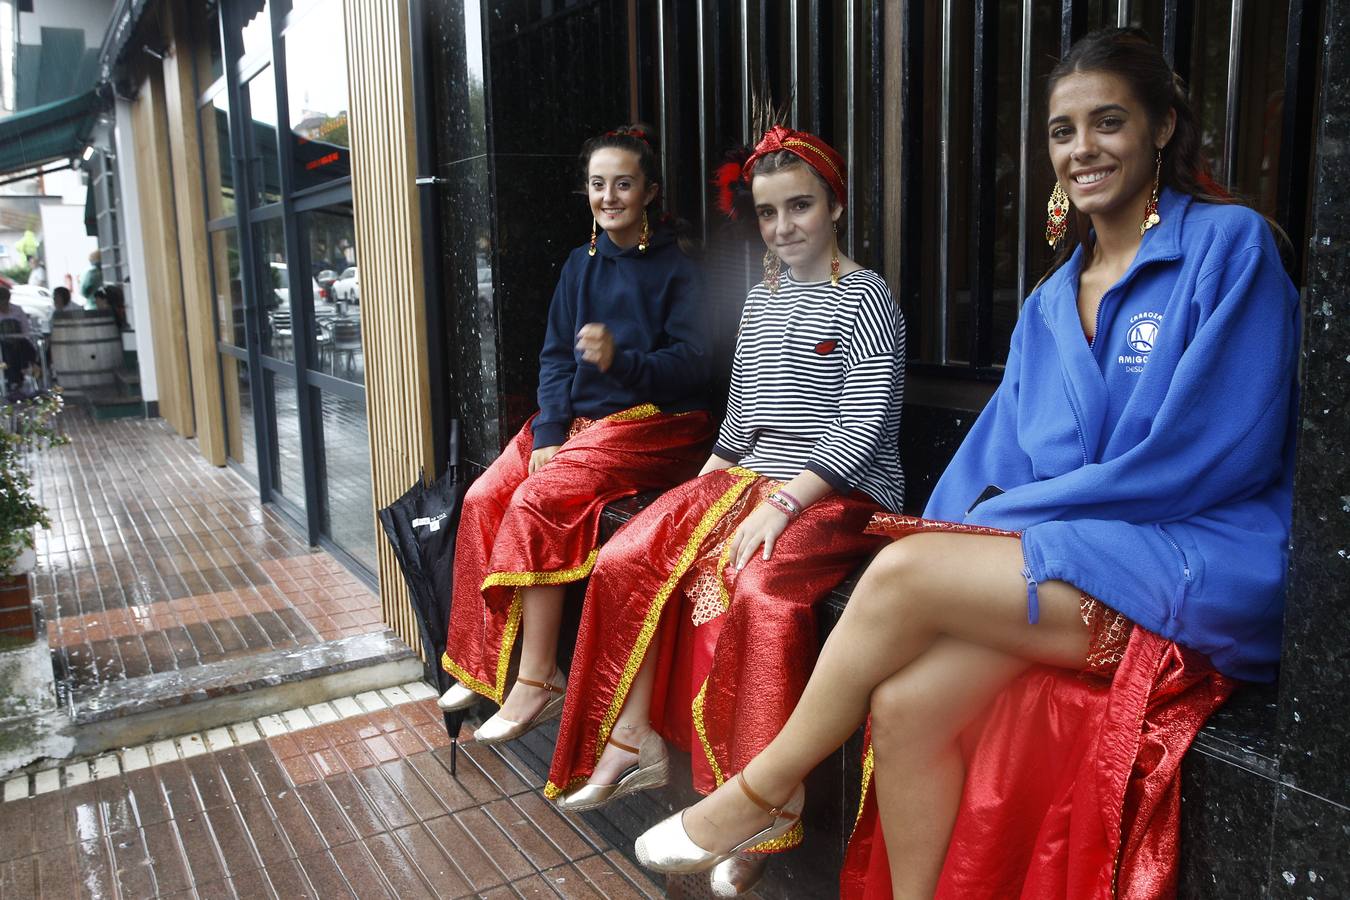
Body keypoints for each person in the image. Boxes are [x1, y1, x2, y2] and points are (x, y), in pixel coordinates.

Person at [633, 28, 1299, 900]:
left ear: (1163, 127)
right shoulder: (1050, 300)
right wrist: (940, 539)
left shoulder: (1229, 247)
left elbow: (1212, 454)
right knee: (905, 704)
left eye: (1108, 122)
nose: (1082, 149)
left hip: (1193, 554)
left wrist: (936, 557)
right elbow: (993, 459)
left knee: (906, 574)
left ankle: (760, 789)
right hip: (1075, 555)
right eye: (1063, 132)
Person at [547, 123, 905, 896]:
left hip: (841, 492)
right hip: (752, 478)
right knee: (630, 552)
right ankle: (635, 735)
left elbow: (863, 423)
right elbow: (740, 426)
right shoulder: (761, 300)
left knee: (760, 592)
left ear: (835, 206)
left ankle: (768, 801)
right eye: (769, 214)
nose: (783, 227)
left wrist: (780, 505)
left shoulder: (865, 296)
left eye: (800, 207)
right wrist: (691, 496)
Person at [437, 125, 716, 744]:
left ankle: (538, 679)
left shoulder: (678, 271)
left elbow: (697, 364)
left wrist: (624, 359)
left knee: (538, 500)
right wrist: (550, 433)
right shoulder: (578, 263)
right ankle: (486, 667)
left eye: (623, 183)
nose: (609, 196)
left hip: (654, 421)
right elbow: (555, 357)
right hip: (577, 421)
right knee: (485, 497)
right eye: (597, 185)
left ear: (650, 191)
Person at [0, 285, 39, 393]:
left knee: (25, 347)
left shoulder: (17, 310)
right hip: (2, 344)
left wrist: (16, 337)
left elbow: (25, 330)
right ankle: (14, 380)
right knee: (7, 352)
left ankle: (24, 373)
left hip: (19, 341)